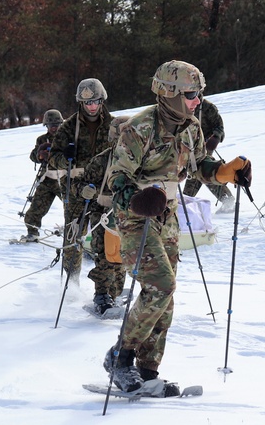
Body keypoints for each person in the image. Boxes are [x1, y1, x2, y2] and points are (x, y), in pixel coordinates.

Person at [103, 60, 252, 392]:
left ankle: (147, 370)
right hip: (136, 217)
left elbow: (202, 167)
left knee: (165, 298)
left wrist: (227, 172)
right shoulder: (140, 128)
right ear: (168, 93)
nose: (197, 101)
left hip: (167, 215)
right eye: (190, 94)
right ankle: (120, 357)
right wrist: (135, 199)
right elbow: (117, 177)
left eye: (199, 94)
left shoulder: (191, 127)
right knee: (161, 287)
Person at [48, 79, 113, 282]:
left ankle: (105, 288)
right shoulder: (68, 127)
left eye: (96, 101)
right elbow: (53, 159)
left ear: (102, 101)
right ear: (80, 103)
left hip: (104, 189)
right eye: (87, 103)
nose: (92, 107)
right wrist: (64, 156)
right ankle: (71, 281)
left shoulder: (114, 125)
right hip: (76, 188)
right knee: (73, 237)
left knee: (106, 237)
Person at [79, 115, 130, 314]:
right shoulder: (101, 161)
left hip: (129, 215)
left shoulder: (141, 161)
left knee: (122, 257)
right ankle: (101, 294)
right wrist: (85, 190)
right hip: (103, 214)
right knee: (105, 256)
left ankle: (115, 293)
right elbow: (80, 184)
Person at [181, 97, 235, 212]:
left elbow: (219, 126)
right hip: (187, 145)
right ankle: (225, 197)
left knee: (199, 171)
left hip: (205, 146)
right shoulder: (182, 105)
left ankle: (185, 202)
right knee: (201, 173)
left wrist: (215, 137)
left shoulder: (207, 107)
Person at [19, 109, 65, 243]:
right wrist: (39, 155)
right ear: (46, 126)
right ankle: (32, 232)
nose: (54, 128)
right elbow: (32, 156)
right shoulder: (42, 140)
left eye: (57, 125)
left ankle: (78, 233)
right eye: (51, 125)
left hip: (65, 180)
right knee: (34, 210)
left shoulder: (69, 137)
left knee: (73, 209)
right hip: (47, 179)